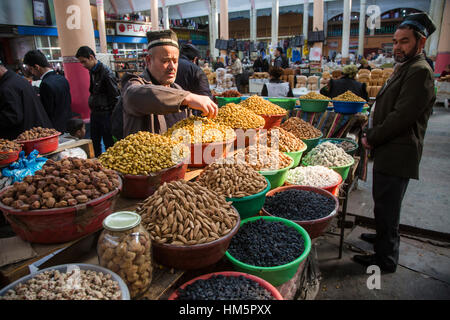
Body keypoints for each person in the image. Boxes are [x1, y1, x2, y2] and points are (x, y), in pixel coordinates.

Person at [356, 13, 437, 273]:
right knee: (384, 201)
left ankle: (385, 258)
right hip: (390, 148)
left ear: (420, 43)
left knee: (388, 205)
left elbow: (401, 117)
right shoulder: (407, 67)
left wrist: (372, 136)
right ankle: (382, 237)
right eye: (395, 41)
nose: (398, 47)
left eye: (404, 41)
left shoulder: (420, 72)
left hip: (398, 150)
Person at [120, 29, 218, 137]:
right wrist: (188, 97)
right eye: (165, 61)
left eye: (175, 61)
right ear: (148, 61)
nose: (172, 67)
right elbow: (134, 95)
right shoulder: (134, 84)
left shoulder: (178, 89)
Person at [76, 46, 119, 157]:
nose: (83, 65)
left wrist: (113, 117)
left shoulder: (106, 74)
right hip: (95, 113)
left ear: (91, 57)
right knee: (94, 140)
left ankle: (110, 164)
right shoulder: (92, 72)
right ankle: (97, 163)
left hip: (106, 114)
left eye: (84, 62)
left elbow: (115, 97)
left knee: (108, 142)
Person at [0, 60, 52, 140]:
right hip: (38, 134)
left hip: (29, 140)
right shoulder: (17, 79)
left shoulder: (7, 87)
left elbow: (13, 117)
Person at [23, 50, 72, 133]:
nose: (32, 72)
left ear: (37, 67)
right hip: (67, 124)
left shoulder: (45, 84)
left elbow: (47, 111)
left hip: (55, 128)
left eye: (31, 69)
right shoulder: (62, 78)